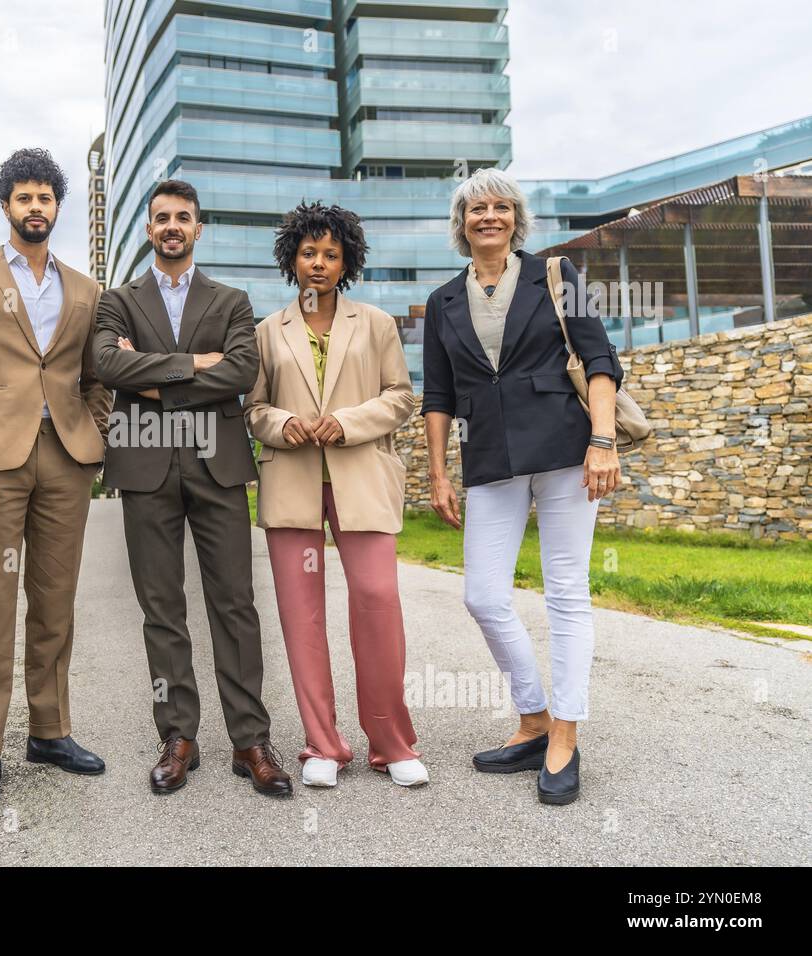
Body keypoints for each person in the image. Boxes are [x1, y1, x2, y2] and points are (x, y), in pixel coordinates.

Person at [421, 167, 624, 805]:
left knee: (566, 591)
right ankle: (532, 715)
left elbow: (600, 361)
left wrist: (603, 440)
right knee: (483, 595)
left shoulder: (559, 278)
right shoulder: (442, 301)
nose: (489, 216)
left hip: (567, 449)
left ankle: (564, 731)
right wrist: (437, 471)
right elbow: (439, 394)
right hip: (488, 456)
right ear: (462, 224)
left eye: (501, 206)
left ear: (516, 218)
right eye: (476, 207)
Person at [94, 179, 292, 798]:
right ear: (149, 229)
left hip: (218, 464)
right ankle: (177, 736)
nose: (172, 226)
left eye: (183, 217)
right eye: (162, 218)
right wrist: (197, 366)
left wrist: (152, 378)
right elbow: (106, 364)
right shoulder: (117, 302)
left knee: (234, 603)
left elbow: (241, 369)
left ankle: (250, 739)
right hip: (144, 465)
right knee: (162, 609)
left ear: (199, 227)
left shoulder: (232, 300)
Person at [0, 148, 112, 812]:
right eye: (23, 197)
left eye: (45, 198)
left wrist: (91, 434)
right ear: (6, 205)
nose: (35, 208)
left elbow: (97, 379)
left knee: (55, 603)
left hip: (65, 457)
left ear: (57, 206)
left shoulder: (85, 290)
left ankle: (49, 730)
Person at [245, 201, 427, 789]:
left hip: (361, 480)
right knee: (302, 618)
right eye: (309, 253)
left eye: (331, 254)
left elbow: (401, 397)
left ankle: (392, 744)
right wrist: (281, 423)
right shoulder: (266, 332)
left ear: (346, 261)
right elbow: (253, 409)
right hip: (293, 482)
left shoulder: (374, 324)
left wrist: (345, 421)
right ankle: (322, 744)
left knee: (376, 600)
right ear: (292, 260)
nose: (319, 263)